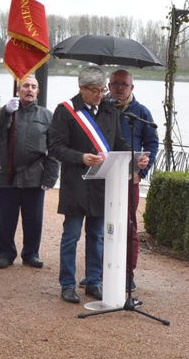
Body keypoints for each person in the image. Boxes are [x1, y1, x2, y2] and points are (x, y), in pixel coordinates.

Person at [48, 65, 147, 303]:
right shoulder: (65, 111)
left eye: (102, 90)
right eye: (94, 90)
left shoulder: (110, 111)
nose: (100, 95)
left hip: (101, 184)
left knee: (97, 236)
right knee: (71, 237)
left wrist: (136, 158)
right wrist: (80, 157)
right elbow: (55, 147)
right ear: (81, 87)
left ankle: (93, 281)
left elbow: (119, 143)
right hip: (76, 184)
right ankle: (67, 284)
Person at [0, 74, 59, 270]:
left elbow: (54, 149)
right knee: (5, 219)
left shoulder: (46, 116)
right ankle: (5, 254)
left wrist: (50, 176)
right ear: (18, 90)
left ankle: (31, 253)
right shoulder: (7, 111)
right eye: (25, 86)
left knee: (33, 220)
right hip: (7, 174)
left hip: (34, 175)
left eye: (33, 87)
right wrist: (5, 112)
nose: (29, 90)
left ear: (38, 92)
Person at [108, 69, 159, 291]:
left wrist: (142, 173)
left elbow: (152, 144)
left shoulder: (141, 112)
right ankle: (98, 271)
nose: (120, 88)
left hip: (130, 179)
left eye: (124, 84)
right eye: (116, 83)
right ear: (109, 86)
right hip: (103, 177)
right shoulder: (102, 108)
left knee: (129, 226)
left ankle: (128, 273)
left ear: (132, 87)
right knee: (100, 227)